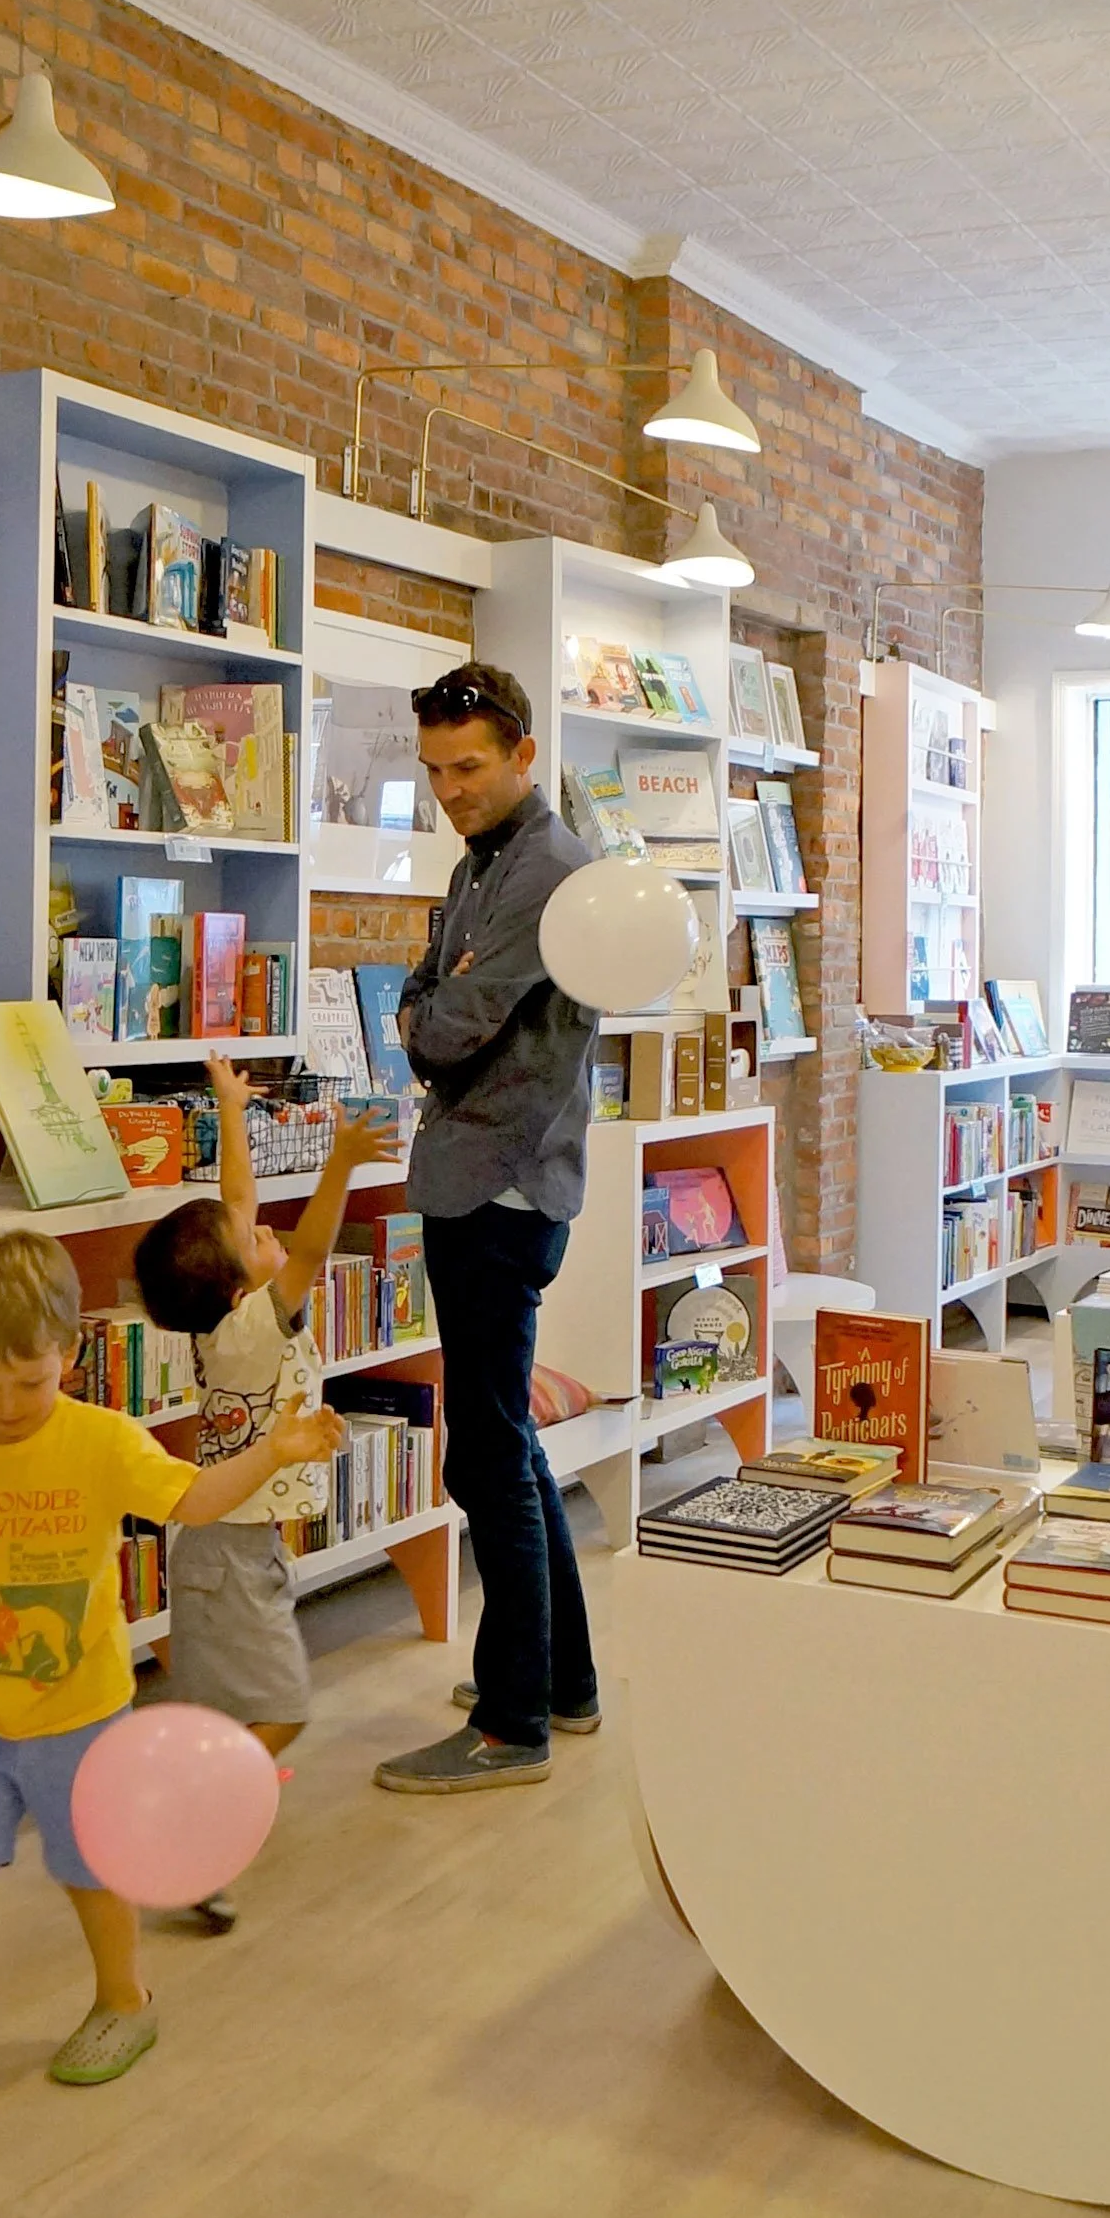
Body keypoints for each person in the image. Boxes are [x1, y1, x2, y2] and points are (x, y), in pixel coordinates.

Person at [0, 1231, 344, 2128]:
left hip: (81, 1713)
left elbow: (195, 1499)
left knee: (93, 1874)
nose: (5, 1404)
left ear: (72, 1353)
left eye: (29, 1380)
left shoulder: (103, 1441)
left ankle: (125, 2002)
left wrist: (273, 1454)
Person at [372, 662, 603, 1796]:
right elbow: (425, 987)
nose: (449, 789)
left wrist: (430, 1008)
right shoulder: (484, 865)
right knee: (504, 1442)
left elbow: (442, 1024)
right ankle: (559, 1677)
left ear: (521, 753)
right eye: (434, 773)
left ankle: (514, 1720)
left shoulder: (549, 869)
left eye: (468, 766)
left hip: (500, 1184)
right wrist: (432, 999)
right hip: (481, 1177)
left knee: (486, 1454)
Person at [133, 1062, 395, 1927]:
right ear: (245, 1287)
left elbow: (235, 1198)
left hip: (231, 1547)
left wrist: (235, 1111)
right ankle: (196, 1818)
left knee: (233, 1705)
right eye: (253, 1240)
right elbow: (312, 1249)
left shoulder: (225, 1311)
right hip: (231, 1554)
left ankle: (188, 1815)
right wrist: (341, 1163)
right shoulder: (251, 1329)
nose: (266, 1230)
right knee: (282, 1706)